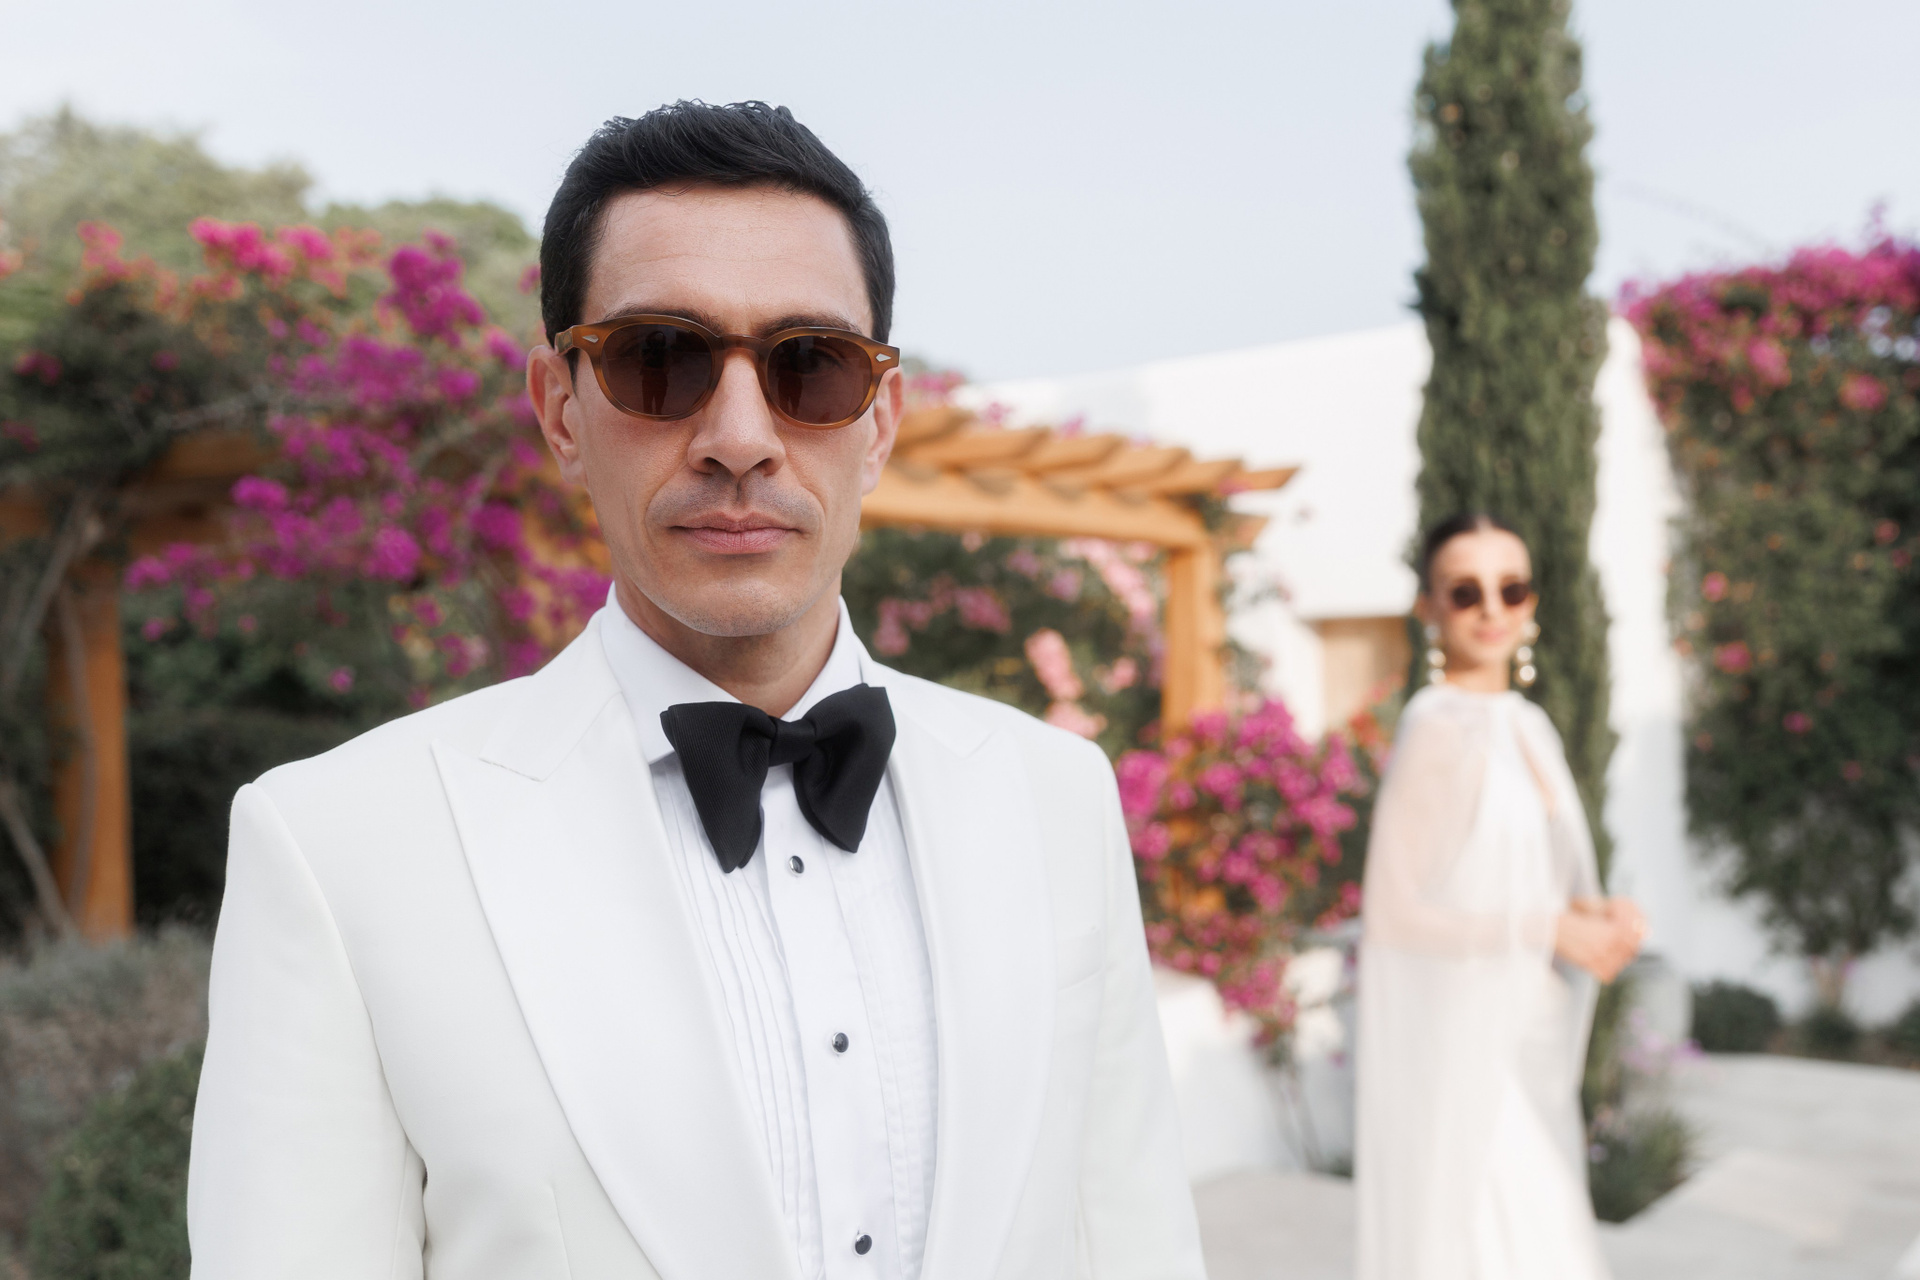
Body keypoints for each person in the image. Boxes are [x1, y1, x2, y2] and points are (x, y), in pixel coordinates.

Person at [186, 101, 1204, 1280]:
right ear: (561, 409)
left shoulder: (1057, 793)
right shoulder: (338, 845)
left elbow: (1134, 1241)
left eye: (810, 365)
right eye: (659, 359)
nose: (739, 437)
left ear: (880, 422)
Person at [1353, 513, 1645, 1280]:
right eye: (1465, 591)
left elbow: (1520, 881)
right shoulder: (1437, 728)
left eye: (1510, 588)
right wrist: (1546, 926)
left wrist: (1600, 916)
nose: (1491, 609)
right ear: (1428, 608)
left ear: (1532, 603)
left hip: (1523, 1031)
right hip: (1464, 1046)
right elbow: (1393, 914)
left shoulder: (1527, 724)